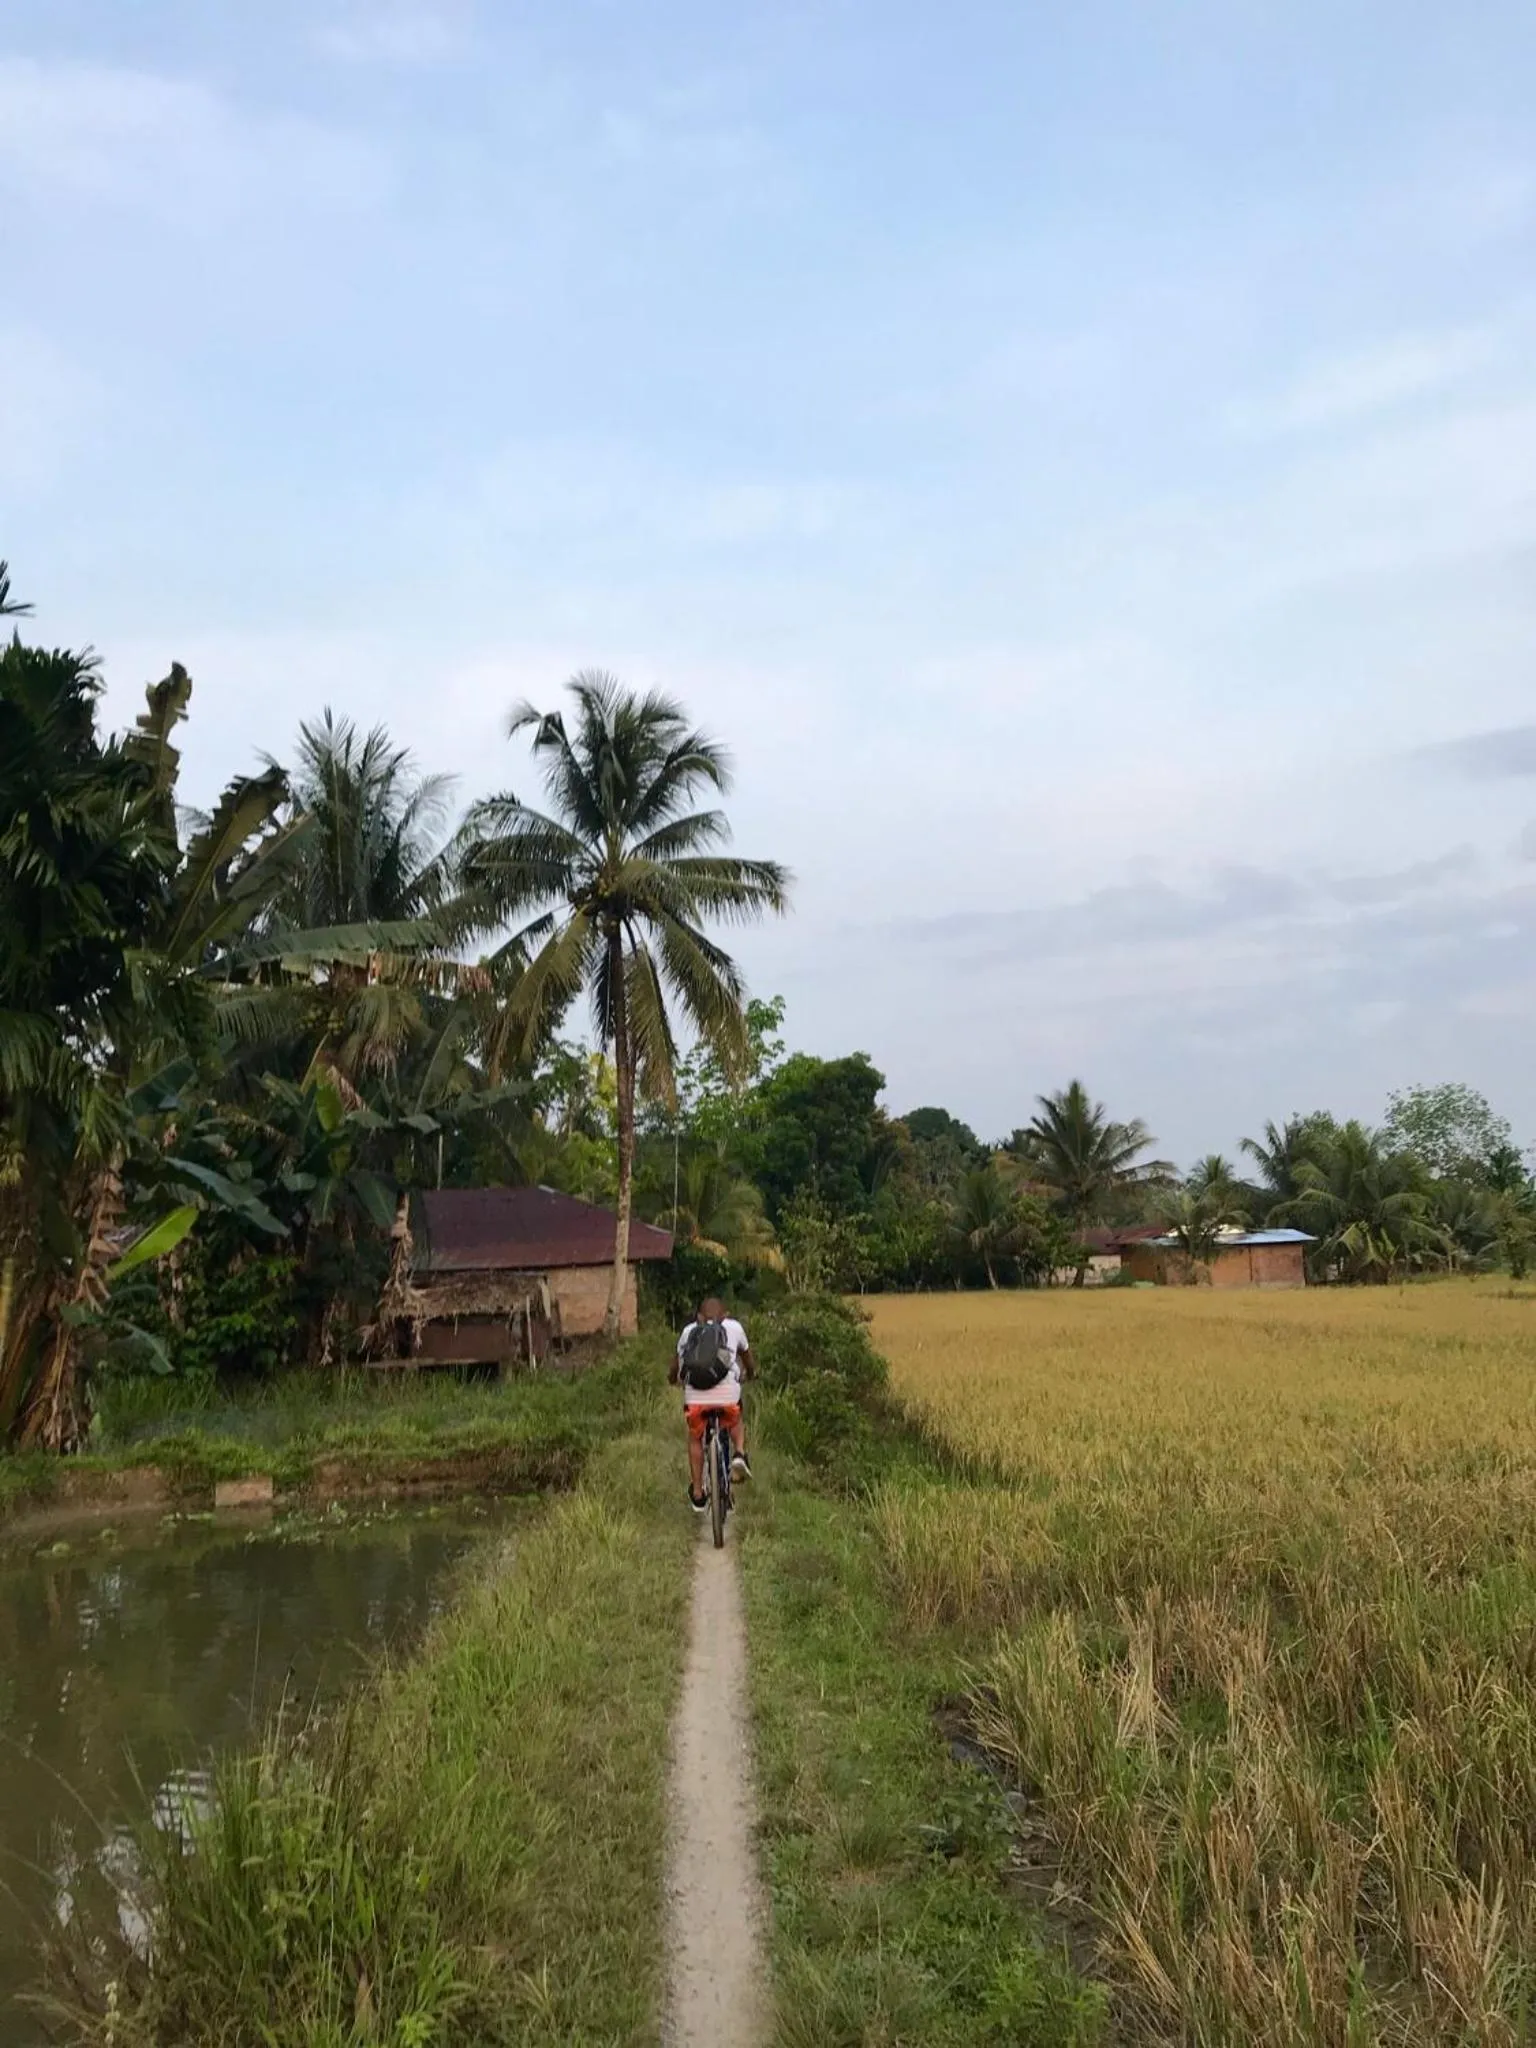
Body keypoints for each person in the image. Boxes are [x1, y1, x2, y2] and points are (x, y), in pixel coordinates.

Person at [670, 1295, 753, 1512]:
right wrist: (750, 1373)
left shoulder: (689, 1332)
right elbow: (747, 1357)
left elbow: (676, 1364)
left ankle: (698, 1492)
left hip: (695, 1398)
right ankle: (739, 1453)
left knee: (695, 1437)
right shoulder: (733, 1327)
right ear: (724, 1315)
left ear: (699, 1316)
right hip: (727, 1394)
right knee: (735, 1416)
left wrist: (672, 1379)